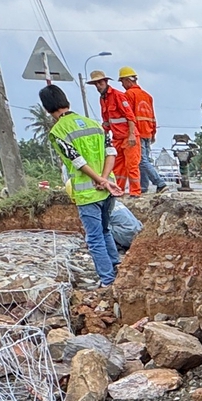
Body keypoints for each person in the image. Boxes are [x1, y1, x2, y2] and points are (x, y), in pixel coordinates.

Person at [40, 83, 126, 287]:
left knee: (95, 237)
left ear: (47, 108)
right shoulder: (93, 124)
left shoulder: (58, 132)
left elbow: (77, 161)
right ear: (66, 101)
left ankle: (107, 280)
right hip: (107, 190)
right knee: (105, 231)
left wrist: (98, 180)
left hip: (88, 193)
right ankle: (117, 269)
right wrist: (105, 178)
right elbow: (111, 152)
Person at [88, 69, 141, 198]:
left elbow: (130, 116)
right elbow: (107, 121)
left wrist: (131, 135)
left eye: (100, 83)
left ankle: (135, 192)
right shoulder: (103, 99)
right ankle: (118, 190)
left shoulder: (118, 95)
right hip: (117, 138)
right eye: (96, 84)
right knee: (118, 167)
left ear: (106, 82)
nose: (98, 86)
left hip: (128, 136)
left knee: (131, 165)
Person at [120, 67, 166, 192]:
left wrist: (130, 133)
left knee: (141, 161)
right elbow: (152, 116)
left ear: (128, 81)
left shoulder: (129, 95)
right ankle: (143, 187)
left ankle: (160, 183)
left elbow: (128, 115)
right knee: (143, 160)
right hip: (147, 132)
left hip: (137, 132)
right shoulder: (147, 96)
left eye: (122, 81)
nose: (122, 85)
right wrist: (153, 133)